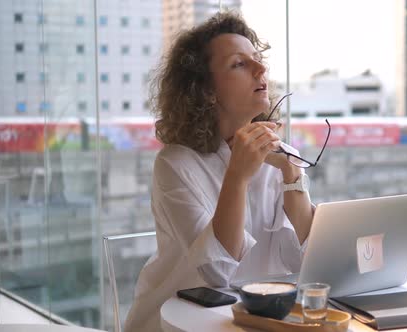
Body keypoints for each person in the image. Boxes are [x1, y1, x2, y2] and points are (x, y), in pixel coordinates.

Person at [124, 11, 314, 332]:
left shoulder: (282, 157)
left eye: (258, 59)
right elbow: (218, 274)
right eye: (240, 64)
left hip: (253, 322)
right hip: (176, 322)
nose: (261, 68)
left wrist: (291, 176)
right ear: (207, 90)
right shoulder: (175, 164)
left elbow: (308, 260)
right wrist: (238, 176)